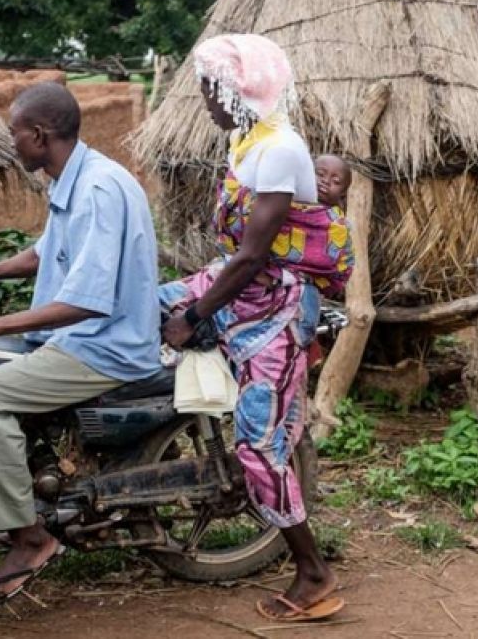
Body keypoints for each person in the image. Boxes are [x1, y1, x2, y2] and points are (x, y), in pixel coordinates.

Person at [0, 81, 161, 607]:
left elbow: (87, 300)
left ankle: (30, 539)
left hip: (103, 345)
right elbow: (45, 254)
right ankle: (25, 499)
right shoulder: (70, 179)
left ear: (39, 135)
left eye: (14, 132)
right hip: (76, 338)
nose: (10, 142)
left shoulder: (99, 190)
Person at [158, 33, 353, 622]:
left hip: (278, 310)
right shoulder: (245, 140)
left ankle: (313, 573)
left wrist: (192, 316)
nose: (204, 99)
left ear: (236, 88)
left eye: (208, 87)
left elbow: (251, 257)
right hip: (244, 290)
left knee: (259, 448)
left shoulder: (281, 149)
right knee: (143, 303)